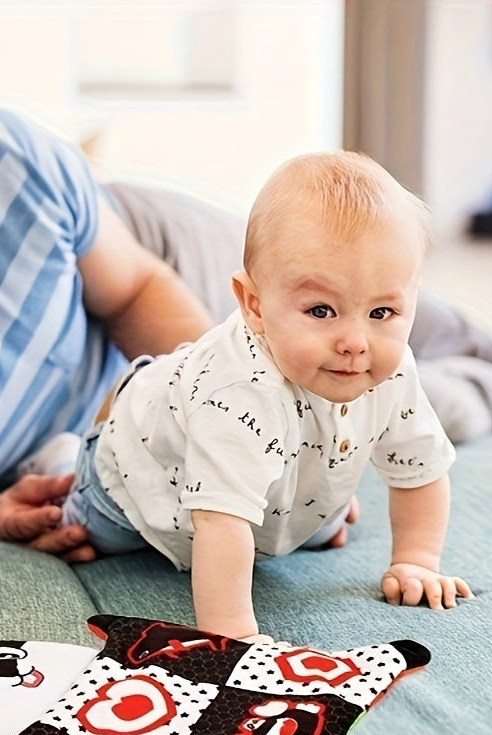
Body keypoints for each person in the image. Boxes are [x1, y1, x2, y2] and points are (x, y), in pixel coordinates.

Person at [0, 99, 491, 561]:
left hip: (135, 261)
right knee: (435, 399)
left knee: (372, 307)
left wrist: (241, 425)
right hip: (97, 401)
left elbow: (137, 284)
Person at [61, 151, 474, 640]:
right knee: (89, 532)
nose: (355, 342)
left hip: (279, 473)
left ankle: (298, 500)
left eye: (382, 313)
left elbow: (421, 470)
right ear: (254, 305)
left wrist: (416, 561)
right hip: (136, 477)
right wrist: (234, 636)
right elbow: (219, 523)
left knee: (312, 521)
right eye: (321, 311)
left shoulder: (391, 368)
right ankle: (58, 458)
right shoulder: (237, 393)